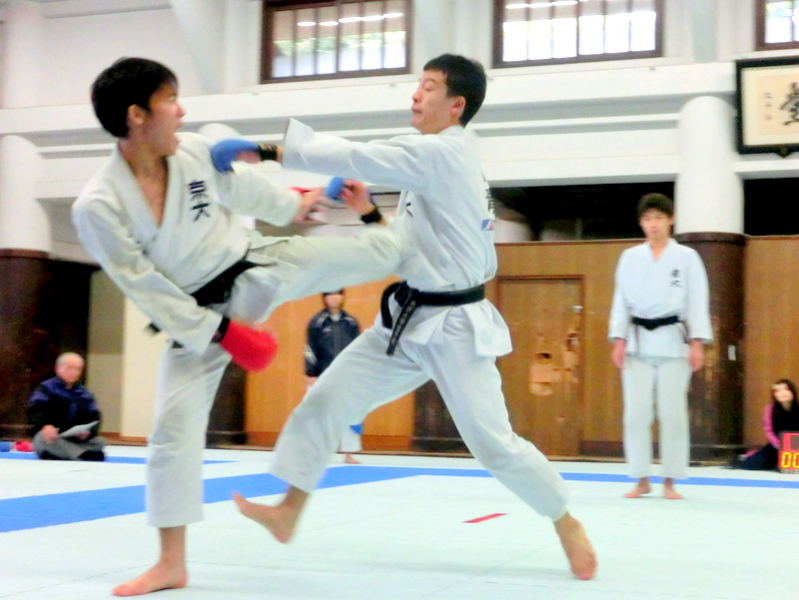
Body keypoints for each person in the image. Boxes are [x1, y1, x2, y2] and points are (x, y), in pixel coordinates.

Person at [213, 54, 597, 580]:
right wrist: (370, 214)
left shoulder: (444, 152)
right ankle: (288, 512)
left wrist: (267, 151)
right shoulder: (430, 161)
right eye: (419, 84)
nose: (416, 94)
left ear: (456, 105)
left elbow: (359, 154)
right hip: (407, 321)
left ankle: (564, 520)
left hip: (456, 328)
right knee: (325, 401)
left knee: (493, 444)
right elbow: (412, 245)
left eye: (429, 86)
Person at [71, 57, 400, 597]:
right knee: (172, 430)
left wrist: (302, 203)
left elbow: (246, 190)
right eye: (169, 100)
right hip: (199, 318)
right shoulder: (99, 205)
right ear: (136, 115)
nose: (181, 111)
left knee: (374, 254)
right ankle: (171, 563)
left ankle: (405, 245)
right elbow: (144, 286)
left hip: (256, 267)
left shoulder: (194, 151)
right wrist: (224, 334)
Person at [609, 193, 713, 500]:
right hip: (636, 343)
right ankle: (641, 478)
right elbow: (620, 301)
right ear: (641, 223)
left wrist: (697, 342)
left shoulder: (687, 257)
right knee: (635, 414)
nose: (653, 224)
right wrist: (618, 339)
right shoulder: (630, 257)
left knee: (673, 414)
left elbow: (697, 301)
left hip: (673, 342)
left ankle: (670, 480)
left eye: (658, 218)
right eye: (647, 219)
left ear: (670, 219)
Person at [305, 290, 363, 464]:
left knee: (350, 413)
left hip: (346, 374)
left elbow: (359, 348)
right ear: (324, 298)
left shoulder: (351, 322)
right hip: (323, 374)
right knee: (320, 414)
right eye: (330, 294)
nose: (334, 297)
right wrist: (311, 373)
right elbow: (309, 349)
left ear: (342, 297)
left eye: (338, 294)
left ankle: (349, 452)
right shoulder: (317, 322)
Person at [28, 352, 105, 461]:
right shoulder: (46, 388)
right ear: (57, 368)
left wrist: (89, 432)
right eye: (70, 368)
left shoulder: (84, 392)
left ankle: (68, 454)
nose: (74, 372)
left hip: (74, 439)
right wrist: (45, 426)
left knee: (99, 442)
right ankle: (81, 455)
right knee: (41, 440)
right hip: (53, 437)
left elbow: (95, 416)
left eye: (78, 369)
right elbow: (34, 409)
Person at [731, 379, 799, 470]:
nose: (782, 393)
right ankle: (749, 455)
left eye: (786, 389)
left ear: (792, 391)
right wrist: (780, 446)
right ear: (774, 395)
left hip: (796, 446)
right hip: (777, 445)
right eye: (778, 391)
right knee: (752, 464)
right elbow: (768, 430)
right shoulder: (770, 409)